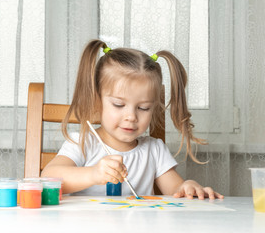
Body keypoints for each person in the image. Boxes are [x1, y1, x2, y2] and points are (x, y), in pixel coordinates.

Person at [41, 39, 223, 200]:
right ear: (97, 101)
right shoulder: (81, 142)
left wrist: (186, 187)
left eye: (143, 108)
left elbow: (175, 191)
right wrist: (93, 174)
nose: (131, 117)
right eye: (119, 105)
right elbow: (47, 178)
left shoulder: (155, 149)